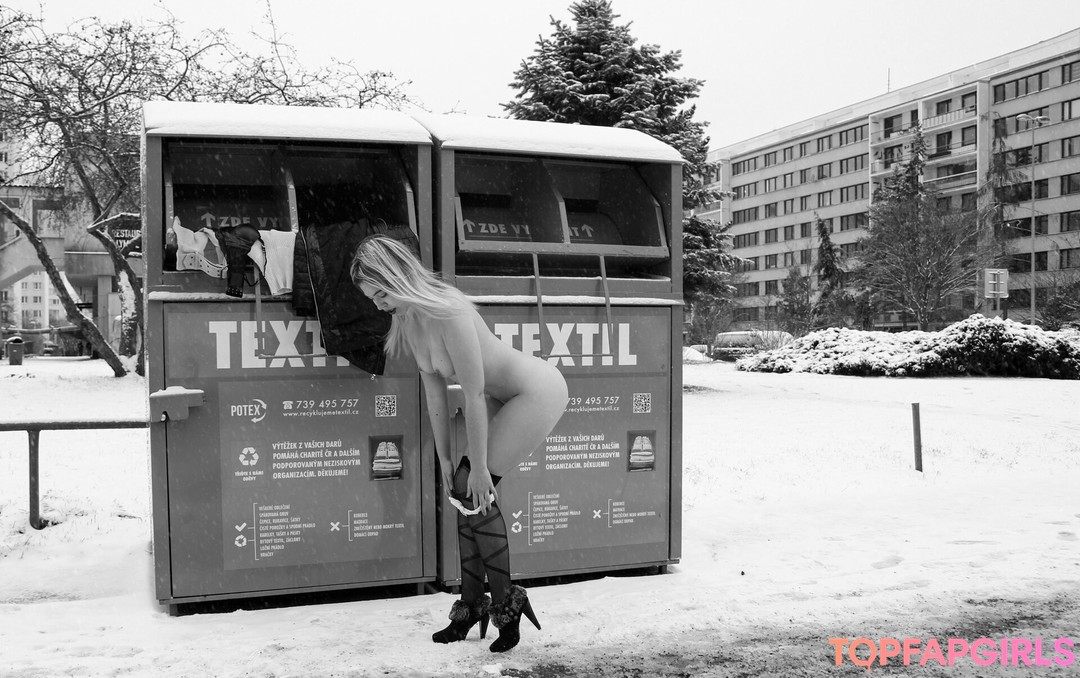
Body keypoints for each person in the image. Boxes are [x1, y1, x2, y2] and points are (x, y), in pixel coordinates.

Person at [350, 235, 568, 653]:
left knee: (475, 488)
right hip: (499, 397)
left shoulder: (449, 311)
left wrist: (480, 466)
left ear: (397, 277)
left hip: (535, 391)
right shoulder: (408, 319)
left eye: (380, 294)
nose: (378, 306)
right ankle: (471, 606)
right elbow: (435, 392)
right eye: (371, 299)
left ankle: (506, 604)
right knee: (460, 490)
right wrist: (445, 458)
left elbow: (472, 392)